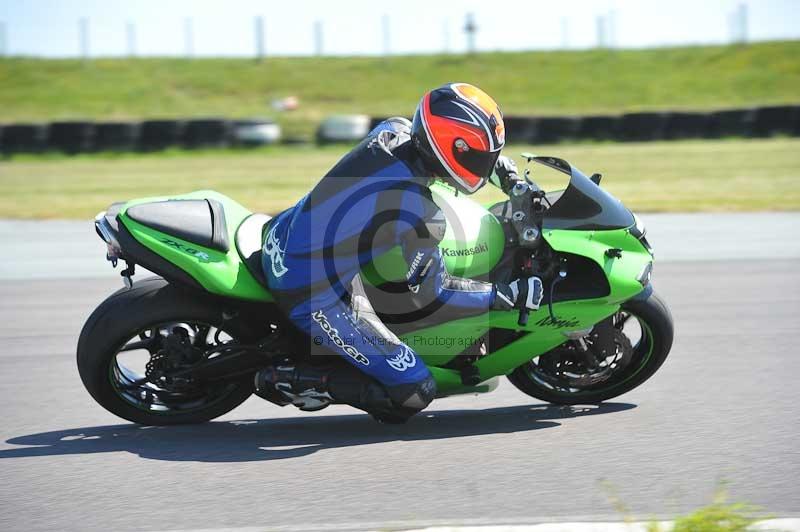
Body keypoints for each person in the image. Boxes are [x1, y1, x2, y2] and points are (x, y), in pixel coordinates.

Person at [256, 83, 544, 422]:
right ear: (452, 149)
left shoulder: (396, 130)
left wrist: (505, 174)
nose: (484, 164)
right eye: (479, 157)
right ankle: (290, 379)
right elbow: (434, 293)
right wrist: (502, 295)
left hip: (286, 232)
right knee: (414, 390)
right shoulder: (416, 212)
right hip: (309, 291)